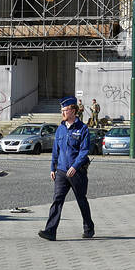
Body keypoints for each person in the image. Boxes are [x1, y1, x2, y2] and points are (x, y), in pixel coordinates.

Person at [38, 96, 94, 241]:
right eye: (62, 110)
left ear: (73, 111)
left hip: (77, 172)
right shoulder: (60, 129)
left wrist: (75, 166)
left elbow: (84, 151)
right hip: (62, 171)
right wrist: (52, 168)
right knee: (57, 200)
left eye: (65, 110)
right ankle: (50, 231)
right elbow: (56, 150)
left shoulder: (83, 129)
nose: (63, 113)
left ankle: (89, 228)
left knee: (81, 200)